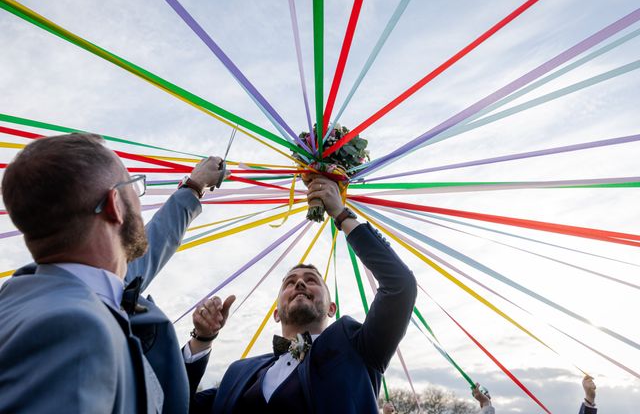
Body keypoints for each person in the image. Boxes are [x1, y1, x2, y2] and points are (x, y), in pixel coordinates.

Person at [0, 133, 226, 413]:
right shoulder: (71, 329)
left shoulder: (57, 294)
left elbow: (142, 258)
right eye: (134, 186)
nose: (139, 204)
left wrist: (193, 187)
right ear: (115, 205)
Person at [187, 173, 418, 413]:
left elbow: (400, 285)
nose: (299, 284)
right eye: (290, 282)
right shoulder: (238, 372)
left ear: (331, 308)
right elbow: (172, 404)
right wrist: (201, 339)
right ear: (276, 313)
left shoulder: (358, 346)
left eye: (311, 280)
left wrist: (341, 214)